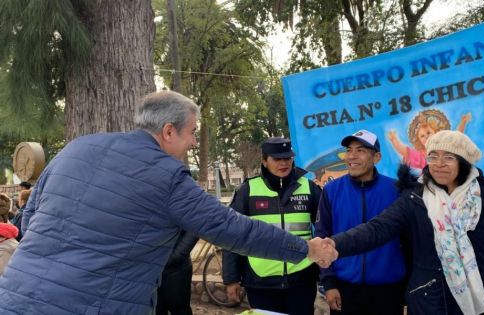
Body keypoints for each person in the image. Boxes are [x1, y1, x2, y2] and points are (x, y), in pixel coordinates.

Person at [0, 91, 337, 315]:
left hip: (15, 295)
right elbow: (232, 230)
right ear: (168, 131)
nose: (193, 142)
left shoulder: (76, 148)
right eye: (192, 132)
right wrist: (307, 250)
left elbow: (28, 221)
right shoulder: (168, 176)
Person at [330, 130, 484, 315]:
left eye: (449, 157)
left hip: (480, 300)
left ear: (464, 162)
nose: (439, 164)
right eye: (432, 156)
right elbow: (377, 229)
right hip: (427, 301)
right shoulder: (415, 198)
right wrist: (333, 245)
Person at [222, 137, 323, 315]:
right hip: (260, 282)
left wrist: (328, 279)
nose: (283, 163)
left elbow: (325, 231)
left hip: (301, 281)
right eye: (277, 159)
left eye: (288, 158)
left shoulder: (309, 188)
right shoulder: (248, 190)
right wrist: (231, 279)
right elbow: (231, 235)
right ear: (264, 161)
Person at [315, 129, 407, 315]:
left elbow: (409, 240)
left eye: (361, 150)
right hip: (344, 289)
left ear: (377, 157)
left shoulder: (396, 190)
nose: (352, 156)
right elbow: (322, 237)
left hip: (388, 290)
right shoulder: (331, 190)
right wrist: (329, 283)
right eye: (349, 150)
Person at [156, 230, 198, 315]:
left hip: (176, 270)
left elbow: (194, 227)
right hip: (149, 270)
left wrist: (177, 255)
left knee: (180, 310)